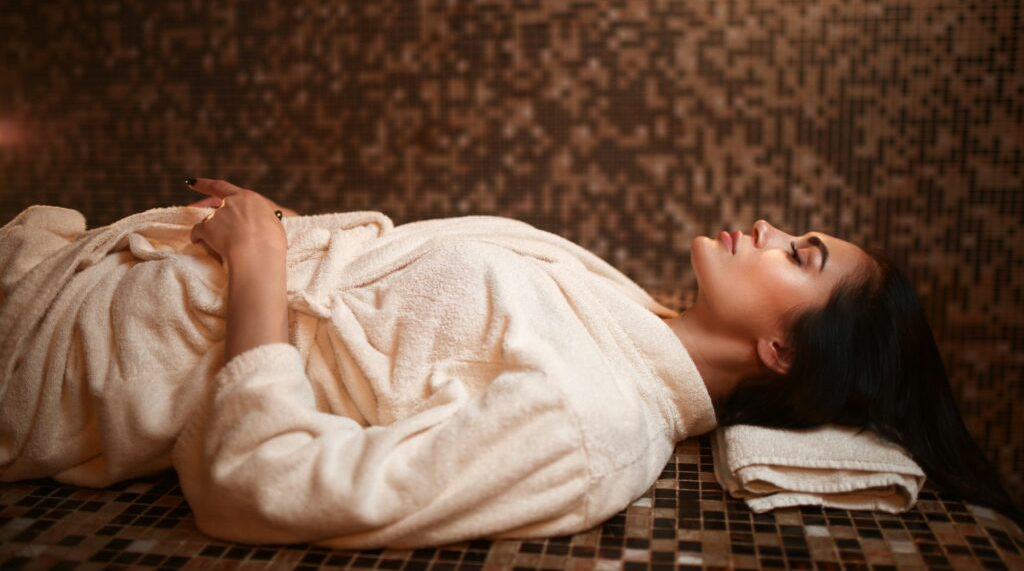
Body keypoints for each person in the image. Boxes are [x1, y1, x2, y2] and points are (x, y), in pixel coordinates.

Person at [183, 177, 1022, 531]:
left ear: (780, 352)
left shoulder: (592, 426)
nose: (769, 228)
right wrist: (278, 234)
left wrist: (259, 264)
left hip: (96, 358)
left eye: (800, 255)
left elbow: (259, 483)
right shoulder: (625, 312)